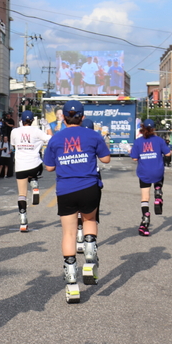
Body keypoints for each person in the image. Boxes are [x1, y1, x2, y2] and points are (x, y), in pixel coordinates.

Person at [43, 100, 110, 303]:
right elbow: (106, 159)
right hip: (89, 186)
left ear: (62, 117)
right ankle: (89, 260)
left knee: (69, 233)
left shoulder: (56, 138)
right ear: (82, 117)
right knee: (89, 221)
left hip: (65, 189)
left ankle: (72, 284)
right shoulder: (93, 135)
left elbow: (49, 168)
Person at [10, 110, 51, 232]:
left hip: (20, 165)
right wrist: (47, 126)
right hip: (34, 165)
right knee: (35, 171)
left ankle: (23, 218)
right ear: (33, 120)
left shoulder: (15, 131)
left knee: (22, 194)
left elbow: (13, 145)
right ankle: (34, 183)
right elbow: (51, 139)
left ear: (21, 120)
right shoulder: (37, 131)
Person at [130, 119, 171, 236]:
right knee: (159, 176)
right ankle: (158, 193)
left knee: (145, 197)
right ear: (154, 128)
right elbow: (167, 154)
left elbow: (134, 158)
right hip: (157, 170)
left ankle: (145, 220)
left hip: (144, 172)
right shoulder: (159, 140)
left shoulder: (138, 142)